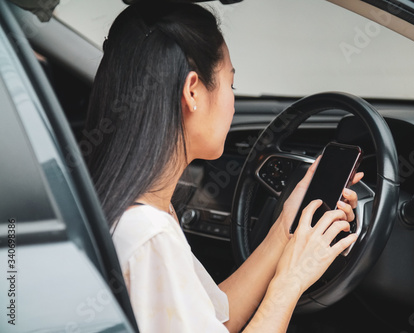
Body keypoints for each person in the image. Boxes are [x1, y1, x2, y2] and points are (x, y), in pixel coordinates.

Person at [84, 1, 362, 332]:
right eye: (230, 85)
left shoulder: (139, 210)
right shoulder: (148, 237)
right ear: (192, 91)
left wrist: (285, 228)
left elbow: (216, 319)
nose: (233, 103)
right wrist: (292, 279)